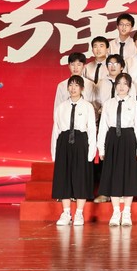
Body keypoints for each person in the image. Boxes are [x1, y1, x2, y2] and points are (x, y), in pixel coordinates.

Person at [97, 73, 137, 227]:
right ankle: (116, 211)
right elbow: (103, 127)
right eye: (119, 83)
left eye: (125, 83)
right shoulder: (108, 104)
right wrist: (101, 148)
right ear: (115, 85)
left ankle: (127, 212)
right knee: (113, 175)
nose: (122, 86)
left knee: (129, 175)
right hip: (112, 139)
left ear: (129, 87)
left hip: (128, 138)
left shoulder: (135, 105)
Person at [51, 75, 97, 226]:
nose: (73, 88)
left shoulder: (87, 107)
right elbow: (56, 130)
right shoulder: (61, 107)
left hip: (81, 142)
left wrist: (91, 152)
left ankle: (79, 213)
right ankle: (66, 213)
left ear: (82, 88)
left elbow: (91, 130)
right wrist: (54, 152)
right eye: (71, 85)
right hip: (64, 142)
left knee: (80, 177)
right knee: (64, 178)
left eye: (76, 85)